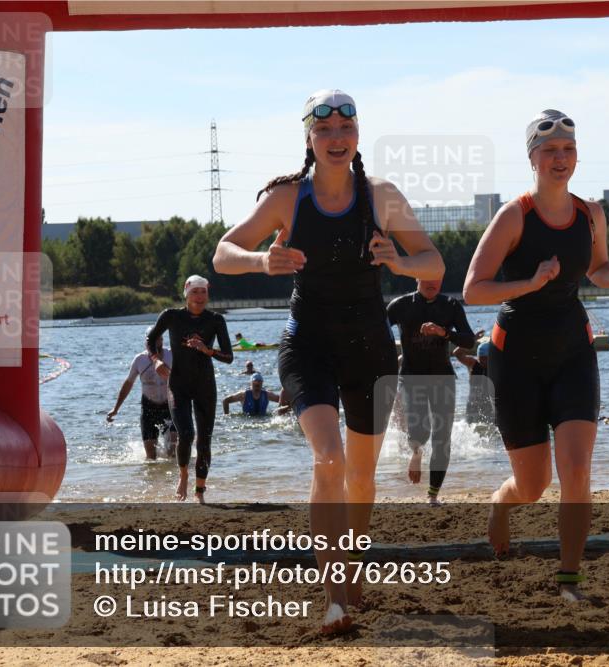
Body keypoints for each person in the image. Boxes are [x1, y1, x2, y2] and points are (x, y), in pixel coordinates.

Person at [212, 90, 443, 633]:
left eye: (346, 129)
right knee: (329, 460)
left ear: (356, 137)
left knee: (361, 480)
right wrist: (260, 261)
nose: (336, 139)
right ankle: (335, 595)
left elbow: (433, 261)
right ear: (310, 139)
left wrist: (400, 259)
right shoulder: (286, 198)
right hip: (308, 343)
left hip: (369, 346)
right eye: (325, 131)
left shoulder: (381, 196)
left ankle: (352, 569)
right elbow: (224, 252)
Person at [463, 110, 609, 602]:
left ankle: (569, 580)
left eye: (568, 150)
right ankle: (502, 503)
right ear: (532, 159)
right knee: (533, 484)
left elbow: (597, 269)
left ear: (577, 156)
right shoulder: (514, 216)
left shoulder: (592, 214)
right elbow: (473, 290)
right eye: (550, 151)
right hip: (515, 357)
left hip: (572, 351)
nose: (560, 159)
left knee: (577, 469)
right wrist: (530, 282)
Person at [387, 279, 476, 506]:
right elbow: (376, 330)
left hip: (443, 378)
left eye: (436, 279)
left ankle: (433, 495)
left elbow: (469, 338)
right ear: (417, 278)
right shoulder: (400, 305)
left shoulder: (451, 305)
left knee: (442, 438)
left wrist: (444, 332)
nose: (432, 284)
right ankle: (416, 453)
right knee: (419, 427)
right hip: (411, 378)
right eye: (426, 279)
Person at [146, 275, 233, 504]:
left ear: (208, 293)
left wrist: (207, 350)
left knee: (204, 440)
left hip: (205, 386)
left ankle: (200, 490)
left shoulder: (215, 320)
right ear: (186, 293)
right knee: (186, 434)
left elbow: (229, 357)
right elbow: (151, 338)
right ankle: (183, 474)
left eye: (203, 292)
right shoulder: (171, 316)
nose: (199, 297)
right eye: (195, 292)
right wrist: (155, 359)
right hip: (179, 385)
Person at [107, 327, 177, 459]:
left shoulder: (171, 355)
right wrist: (116, 409)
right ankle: (153, 479)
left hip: (169, 406)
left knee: (172, 452)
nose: (157, 342)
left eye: (159, 339)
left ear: (162, 339)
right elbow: (128, 383)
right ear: (146, 342)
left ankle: (171, 477)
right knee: (151, 457)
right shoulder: (140, 360)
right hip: (149, 408)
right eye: (152, 340)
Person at [454, 341, 494, 426]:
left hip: (489, 405)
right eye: (481, 358)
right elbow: (457, 353)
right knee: (471, 427)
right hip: (473, 405)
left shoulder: (495, 366)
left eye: (485, 358)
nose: (482, 361)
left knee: (491, 429)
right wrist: (471, 340)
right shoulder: (472, 363)